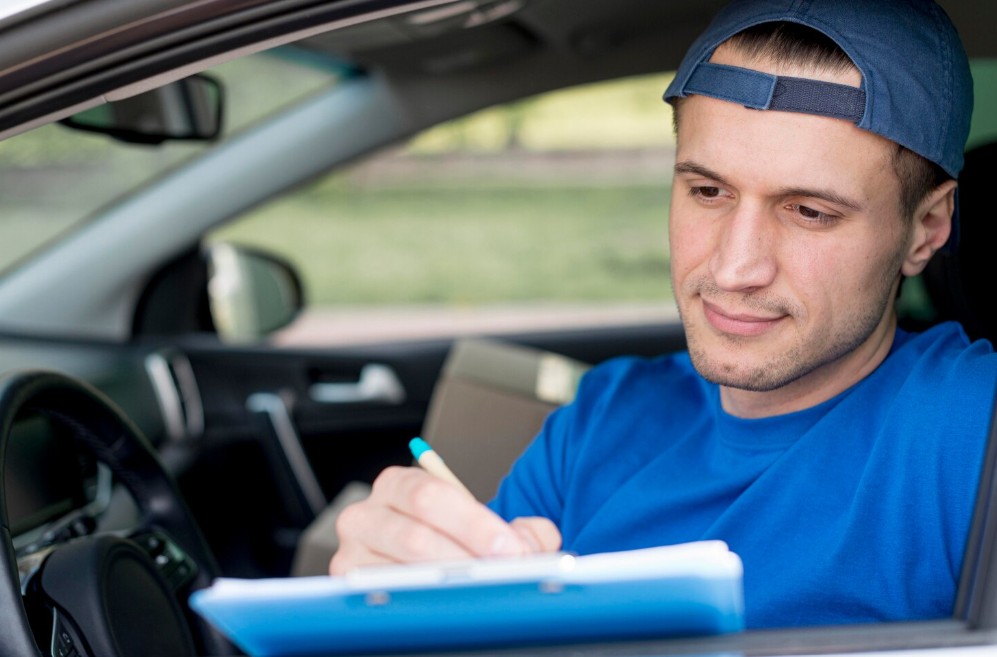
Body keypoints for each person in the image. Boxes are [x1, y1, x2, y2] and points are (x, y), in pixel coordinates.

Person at [331, 0, 997, 629]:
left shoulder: (967, 427)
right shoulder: (600, 419)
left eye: (809, 211)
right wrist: (394, 600)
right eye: (708, 191)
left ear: (926, 228)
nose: (734, 268)